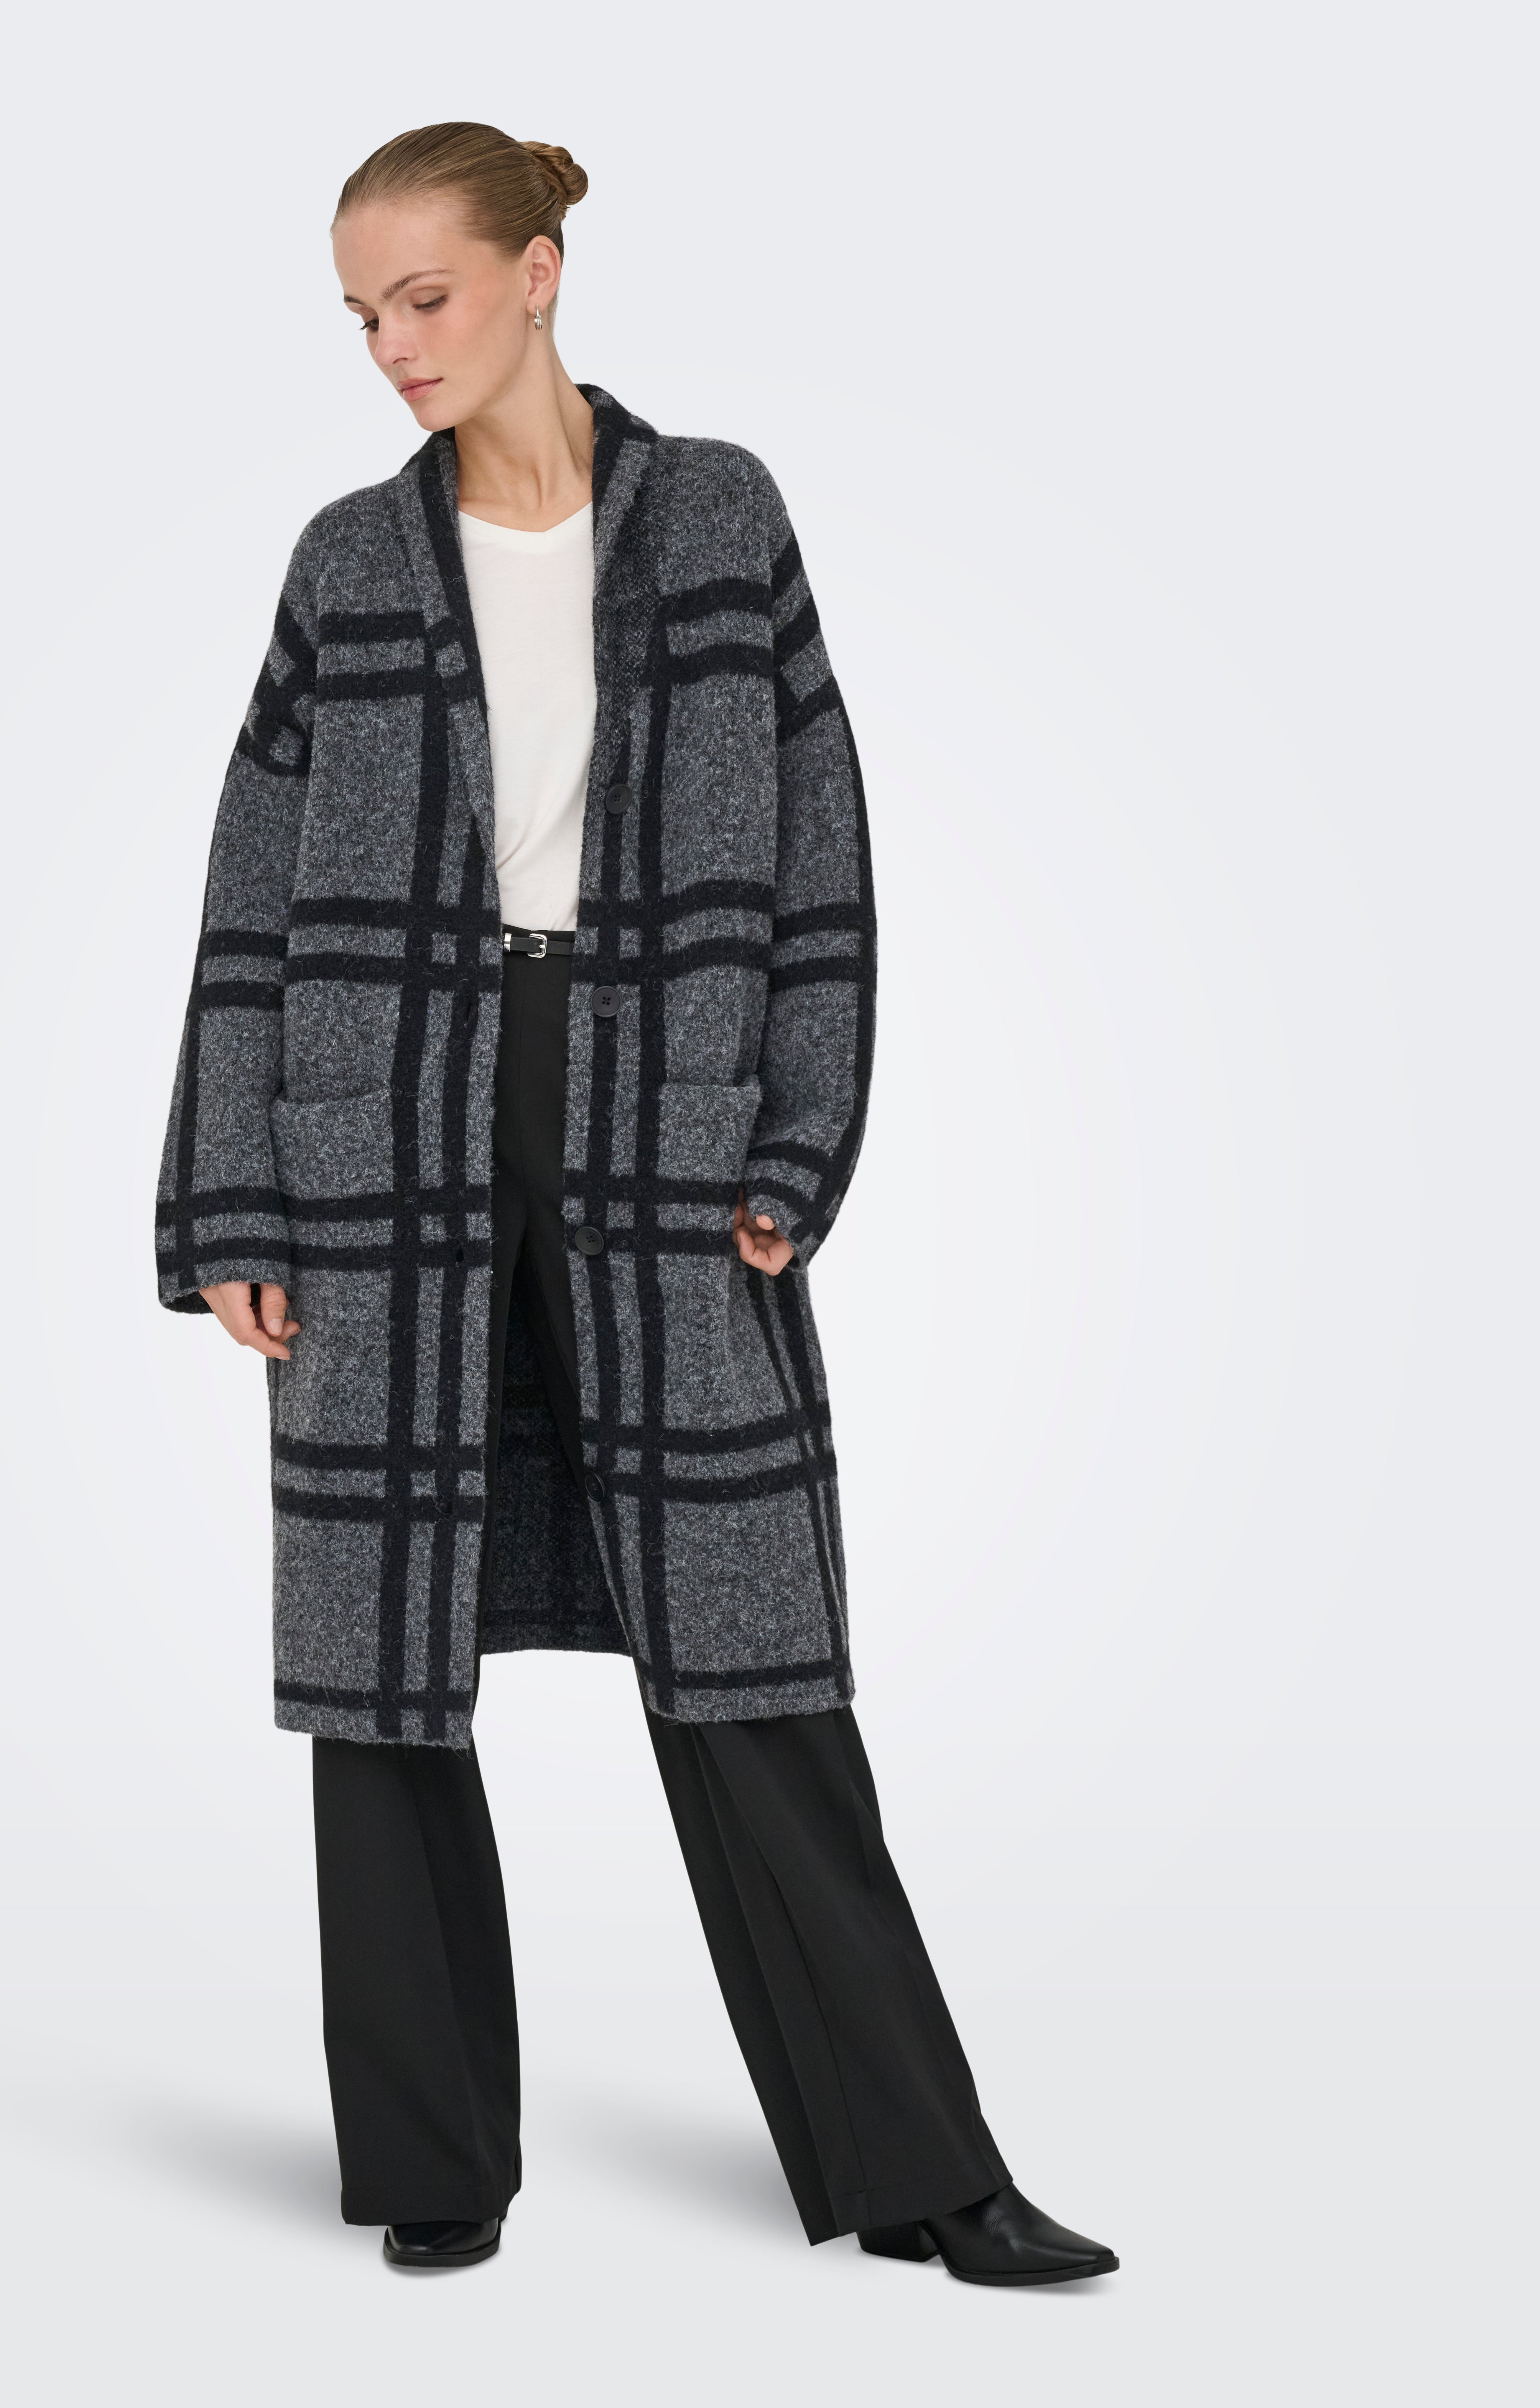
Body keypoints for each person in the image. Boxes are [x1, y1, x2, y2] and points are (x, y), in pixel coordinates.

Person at [156, 120, 1116, 2285]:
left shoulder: (718, 514)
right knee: (383, 1660)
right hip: (382, 1122)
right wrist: (236, 1197)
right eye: (361, 316)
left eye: (423, 296)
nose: (393, 347)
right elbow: (249, 889)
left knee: (750, 1644)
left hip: (654, 1113)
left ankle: (923, 2172)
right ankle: (430, 2165)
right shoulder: (346, 561)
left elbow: (821, 849)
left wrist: (793, 1143)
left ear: (539, 269)